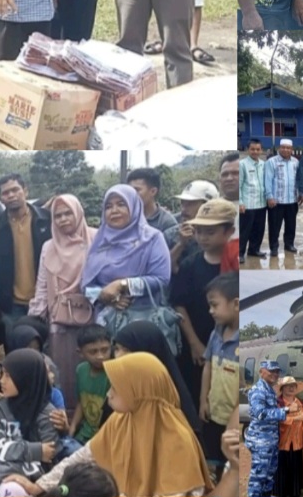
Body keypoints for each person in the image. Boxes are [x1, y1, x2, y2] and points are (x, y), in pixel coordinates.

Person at [4, 352, 214, 497]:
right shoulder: (121, 420)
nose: (108, 393)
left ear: (139, 392)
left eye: (116, 387)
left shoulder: (178, 440)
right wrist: (38, 486)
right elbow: (86, 455)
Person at [28, 194, 97, 407]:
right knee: (63, 369)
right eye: (58, 215)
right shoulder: (49, 246)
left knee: (93, 366)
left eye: (68, 213)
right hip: (59, 319)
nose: (63, 219)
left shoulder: (95, 238)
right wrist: (35, 316)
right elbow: (42, 283)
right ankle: (65, 418)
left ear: (78, 213)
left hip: (91, 315)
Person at [172, 200, 235, 419]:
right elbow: (179, 304)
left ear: (229, 231)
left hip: (229, 346)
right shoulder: (190, 265)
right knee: (197, 400)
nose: (203, 237)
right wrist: (194, 343)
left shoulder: (235, 266)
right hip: (196, 343)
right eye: (199, 231)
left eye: (210, 231)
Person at [81, 185, 171, 331]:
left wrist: (122, 284)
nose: (114, 210)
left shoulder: (152, 238)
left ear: (134, 206)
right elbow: (86, 287)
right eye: (108, 206)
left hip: (145, 322)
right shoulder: (100, 242)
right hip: (107, 324)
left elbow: (161, 279)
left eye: (121, 204)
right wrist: (104, 296)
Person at [0, 174, 53, 343]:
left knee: (48, 351)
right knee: (17, 353)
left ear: (25, 191)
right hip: (11, 307)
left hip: (46, 301)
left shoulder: (46, 219)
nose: (12, 195)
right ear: (1, 198)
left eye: (15, 190)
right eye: (6, 193)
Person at [0, 348, 60, 493]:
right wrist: (36, 450)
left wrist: (2, 470)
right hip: (7, 478)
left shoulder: (48, 414)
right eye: (2, 374)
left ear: (25, 378)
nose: (2, 381)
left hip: (37, 481)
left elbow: (48, 457)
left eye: (8, 376)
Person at [112, 321, 199, 432]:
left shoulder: (169, 400)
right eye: (117, 349)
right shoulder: (117, 387)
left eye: (127, 350)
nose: (118, 356)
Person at [199, 273, 240, 481]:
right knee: (213, 458)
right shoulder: (216, 333)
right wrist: (203, 400)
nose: (210, 311)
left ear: (236, 304)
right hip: (214, 411)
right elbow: (207, 366)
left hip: (233, 418)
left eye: (214, 305)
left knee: (231, 461)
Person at [245, 360, 287, 497]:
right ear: (261, 372)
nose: (274, 374)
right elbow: (261, 413)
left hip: (270, 441)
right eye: (271, 371)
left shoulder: (269, 390)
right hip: (261, 441)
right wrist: (285, 411)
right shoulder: (258, 390)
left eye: (277, 371)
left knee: (269, 476)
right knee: (258, 477)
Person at [165, 180, 220, 272]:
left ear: (207, 206)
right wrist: (181, 244)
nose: (183, 209)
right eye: (182, 203)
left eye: (190, 204)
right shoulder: (171, 234)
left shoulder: (221, 234)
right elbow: (162, 268)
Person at [69, 325, 112, 444]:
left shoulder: (113, 373)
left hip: (105, 437)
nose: (100, 356)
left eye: (105, 350)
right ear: (80, 353)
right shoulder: (81, 370)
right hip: (85, 434)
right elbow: (81, 403)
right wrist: (72, 428)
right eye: (93, 352)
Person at [264, 139, 299, 258]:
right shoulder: (271, 162)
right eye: (283, 147)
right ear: (279, 148)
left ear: (291, 149)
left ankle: (289, 245)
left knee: (291, 225)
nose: (285, 150)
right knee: (274, 226)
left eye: (288, 148)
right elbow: (267, 180)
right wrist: (269, 197)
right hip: (276, 201)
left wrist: (299, 194)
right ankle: (274, 248)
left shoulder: (295, 162)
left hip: (292, 200)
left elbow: (297, 180)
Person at [273, 376, 303, 497]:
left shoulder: (300, 402)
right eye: (288, 386)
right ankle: (281, 492)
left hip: (297, 439)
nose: (291, 388)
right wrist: (297, 418)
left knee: (296, 465)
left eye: (293, 386)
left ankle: (295, 491)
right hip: (282, 440)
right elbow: (278, 419)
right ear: (282, 388)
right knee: (282, 466)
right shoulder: (278, 403)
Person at [238, 142, 268, 264]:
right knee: (245, 230)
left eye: (257, 149)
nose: (255, 151)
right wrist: (240, 202)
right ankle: (240, 253)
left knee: (259, 229)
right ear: (248, 150)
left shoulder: (263, 165)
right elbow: (238, 185)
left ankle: (254, 250)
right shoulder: (242, 164)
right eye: (252, 149)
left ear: (261, 150)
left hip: (261, 203)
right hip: (248, 204)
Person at [126, 168, 178, 233]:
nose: (132, 193)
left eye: (137, 190)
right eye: (129, 190)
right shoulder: (124, 216)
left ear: (153, 191)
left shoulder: (166, 222)